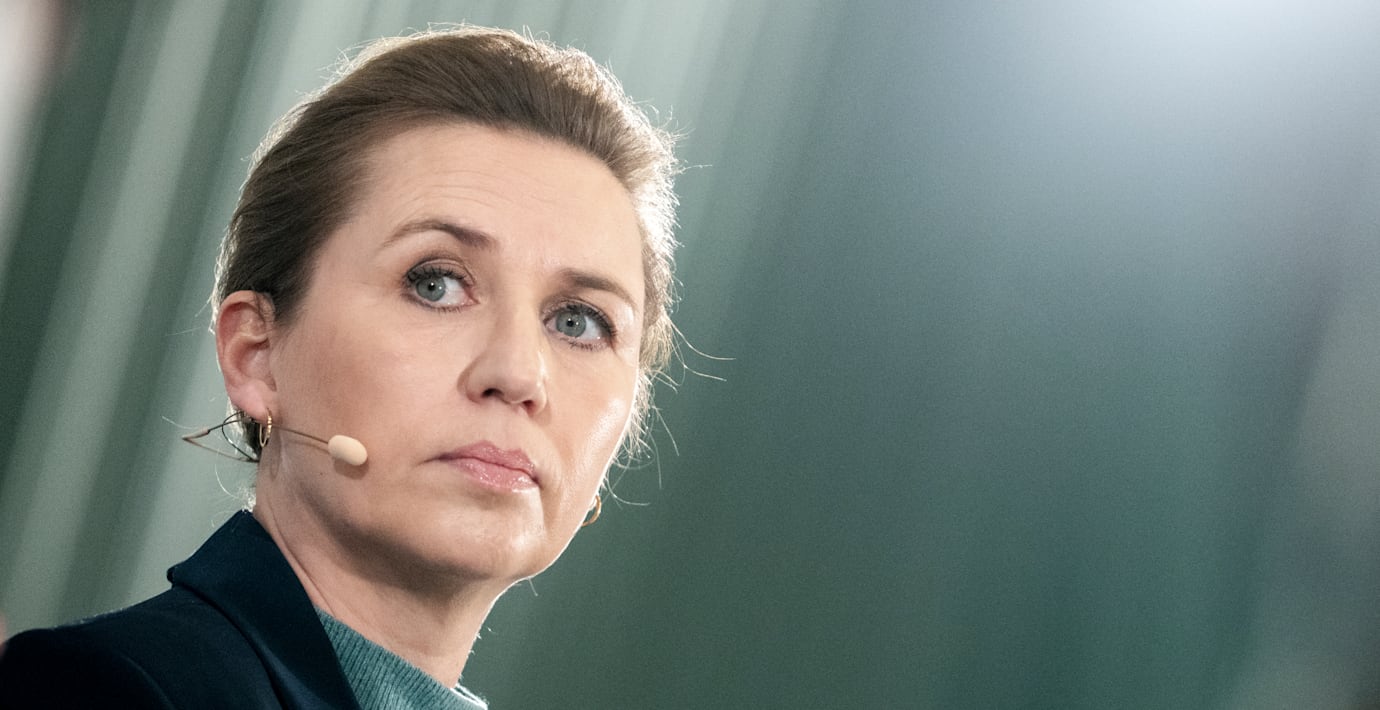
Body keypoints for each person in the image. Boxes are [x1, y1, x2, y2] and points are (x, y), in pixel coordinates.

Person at [0, 25, 679, 709]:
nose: (520, 375)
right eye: (436, 284)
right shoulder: (108, 689)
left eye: (578, 322)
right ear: (257, 356)